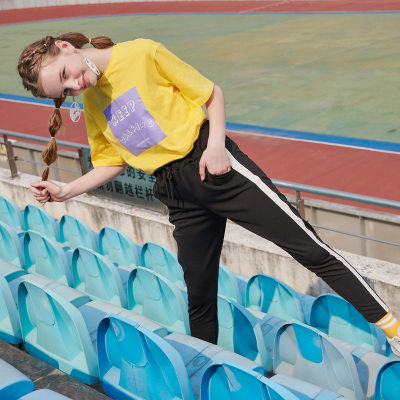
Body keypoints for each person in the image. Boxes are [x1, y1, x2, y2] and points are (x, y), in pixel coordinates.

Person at [18, 32, 400, 356]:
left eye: (66, 75)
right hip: (175, 192)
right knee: (199, 295)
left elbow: (210, 92)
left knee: (308, 248)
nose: (75, 87)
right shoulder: (92, 101)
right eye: (64, 91)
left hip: (214, 165)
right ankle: (205, 371)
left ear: (66, 47)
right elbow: (112, 161)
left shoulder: (141, 53)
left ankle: (393, 329)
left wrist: (216, 145)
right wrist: (66, 190)